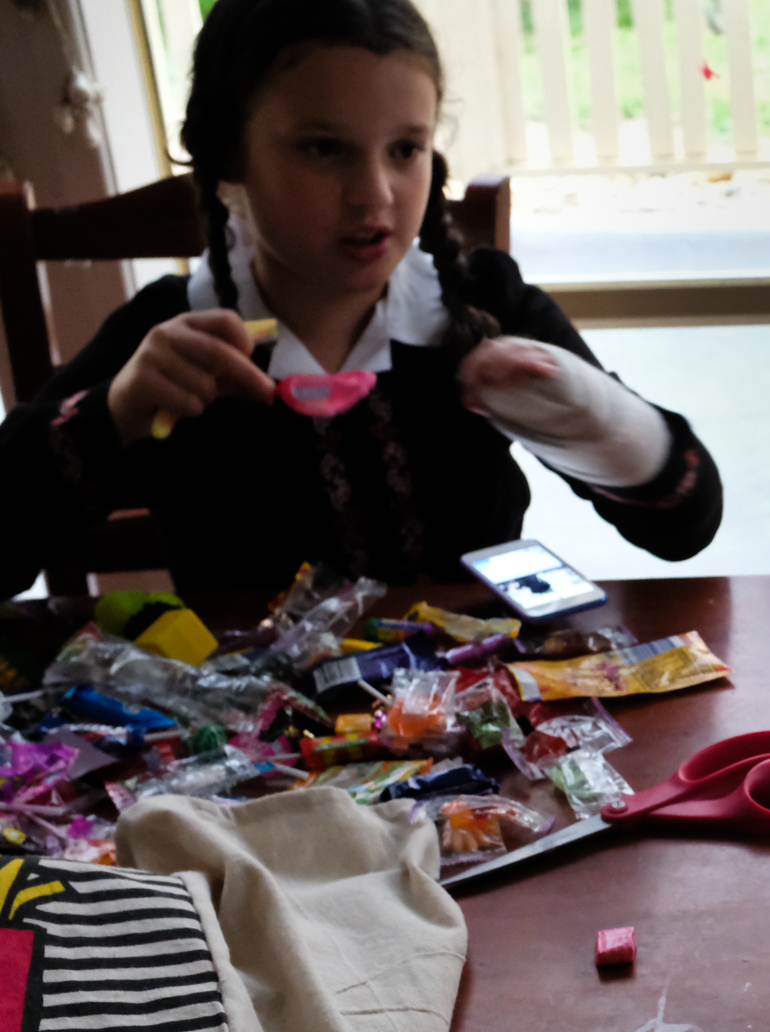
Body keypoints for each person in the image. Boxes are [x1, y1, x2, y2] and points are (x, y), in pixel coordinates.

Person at [0, 0, 721, 598]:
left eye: (405, 149)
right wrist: (112, 416)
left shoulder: (479, 309)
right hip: (249, 752)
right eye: (323, 148)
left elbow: (684, 524)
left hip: (475, 731)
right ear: (229, 154)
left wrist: (590, 414)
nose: (375, 195)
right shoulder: (169, 341)